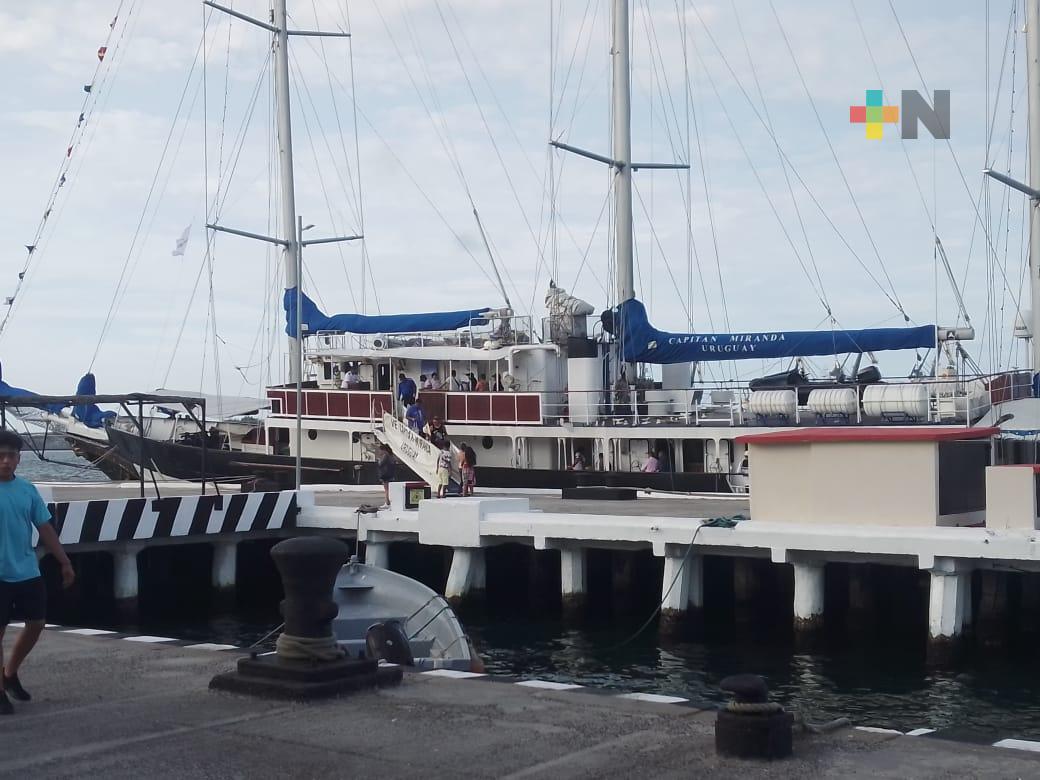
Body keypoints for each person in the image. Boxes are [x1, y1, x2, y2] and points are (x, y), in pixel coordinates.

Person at [0, 430, 75, 715]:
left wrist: (64, 561)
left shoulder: (27, 490)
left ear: (19, 460)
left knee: (37, 623)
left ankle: (10, 673)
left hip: (26, 571)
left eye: (11, 457)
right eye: (1, 456)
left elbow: (44, 528)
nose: (6, 462)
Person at [376, 444, 395, 508]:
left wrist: (379, 460)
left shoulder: (385, 455)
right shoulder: (391, 455)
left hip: (385, 473)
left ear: (384, 450)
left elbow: (381, 464)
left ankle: (387, 502)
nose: (379, 452)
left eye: (380, 450)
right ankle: (388, 502)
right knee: (388, 489)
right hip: (390, 473)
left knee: (386, 489)